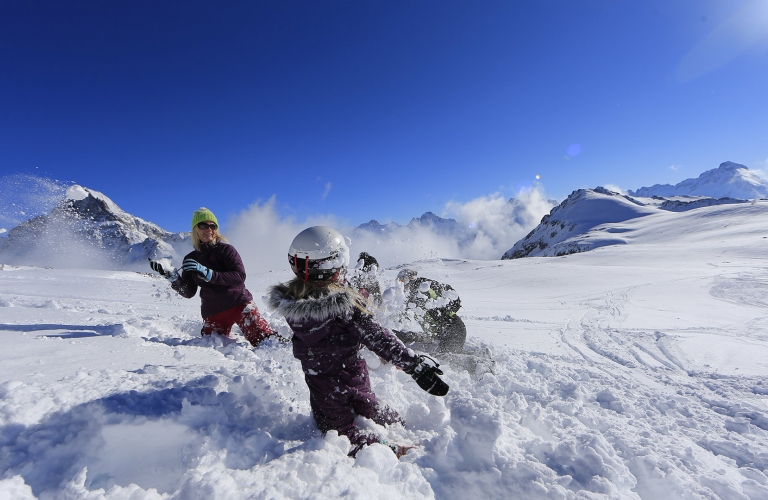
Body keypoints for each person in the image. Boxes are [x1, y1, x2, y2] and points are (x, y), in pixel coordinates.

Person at [266, 226, 448, 457]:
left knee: (339, 425)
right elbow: (377, 337)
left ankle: (385, 431)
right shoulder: (344, 307)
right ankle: (389, 448)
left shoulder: (292, 305)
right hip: (353, 372)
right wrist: (414, 365)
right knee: (347, 432)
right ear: (332, 266)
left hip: (321, 383)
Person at [148, 207, 275, 347]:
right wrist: (173, 278)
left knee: (266, 342)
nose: (209, 229)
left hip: (239, 304)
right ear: (195, 229)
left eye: (212, 226)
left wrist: (209, 274)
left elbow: (239, 276)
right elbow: (189, 292)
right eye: (203, 225)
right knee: (213, 348)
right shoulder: (190, 258)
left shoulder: (226, 250)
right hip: (213, 312)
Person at [395, 268, 466, 354]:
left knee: (447, 360)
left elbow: (446, 296)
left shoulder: (424, 287)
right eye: (399, 282)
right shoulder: (410, 298)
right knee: (441, 358)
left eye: (402, 281)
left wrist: (445, 312)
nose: (401, 285)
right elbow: (399, 313)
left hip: (453, 330)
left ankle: (477, 363)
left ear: (410, 279)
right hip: (441, 334)